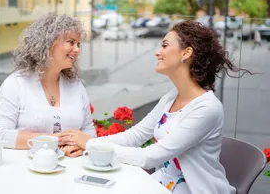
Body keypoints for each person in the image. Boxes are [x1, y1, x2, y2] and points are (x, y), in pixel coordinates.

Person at [59, 20, 250, 194]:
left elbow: (150, 157)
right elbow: (135, 136)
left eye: (165, 45)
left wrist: (89, 143)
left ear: (186, 53)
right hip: (162, 184)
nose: (158, 52)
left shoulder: (207, 108)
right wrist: (89, 146)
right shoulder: (172, 97)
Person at [0, 13, 96, 157]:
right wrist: (52, 139)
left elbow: (89, 131)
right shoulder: (16, 84)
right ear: (49, 43)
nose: (77, 49)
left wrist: (82, 147)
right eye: (71, 42)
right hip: (24, 168)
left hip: (70, 168)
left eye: (78, 44)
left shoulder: (76, 86)